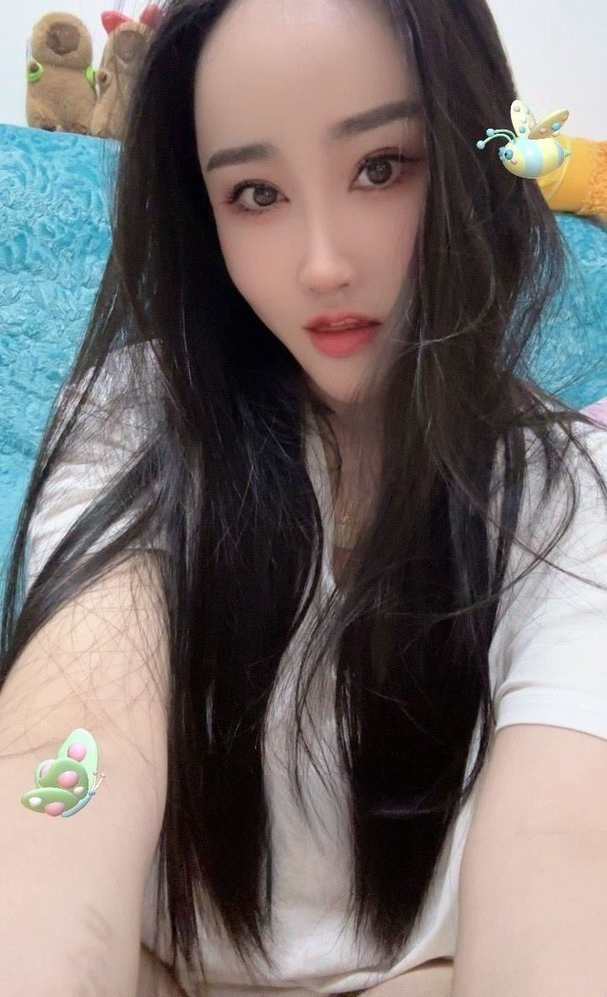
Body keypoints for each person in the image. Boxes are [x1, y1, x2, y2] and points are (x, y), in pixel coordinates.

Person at [1, 0, 607, 995]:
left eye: (381, 167)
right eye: (255, 192)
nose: (322, 264)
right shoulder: (135, 417)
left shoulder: (565, 496)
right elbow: (71, 748)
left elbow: (565, 843)